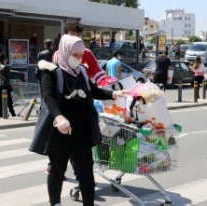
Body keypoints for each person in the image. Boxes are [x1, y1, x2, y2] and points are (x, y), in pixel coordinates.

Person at [33, 35, 127, 206]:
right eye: (75, 54)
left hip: (81, 129)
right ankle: (55, 203)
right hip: (60, 130)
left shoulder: (82, 71)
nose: (78, 58)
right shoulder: (51, 72)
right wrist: (59, 117)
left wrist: (113, 94)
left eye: (81, 55)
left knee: (85, 171)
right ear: (65, 51)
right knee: (57, 169)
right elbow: (48, 97)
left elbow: (92, 90)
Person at [48, 20, 106, 178]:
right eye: (72, 35)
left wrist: (112, 87)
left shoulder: (87, 54)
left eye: (78, 35)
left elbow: (99, 74)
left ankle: (82, 177)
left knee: (80, 147)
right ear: (66, 36)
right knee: (64, 143)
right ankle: (57, 167)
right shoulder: (58, 55)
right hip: (65, 106)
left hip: (83, 106)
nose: (76, 39)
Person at [0, 53, 16, 118]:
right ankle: (13, 113)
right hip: (5, 86)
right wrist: (16, 78)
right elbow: (10, 76)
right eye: (6, 59)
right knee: (9, 101)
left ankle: (1, 114)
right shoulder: (5, 67)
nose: (7, 61)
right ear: (4, 60)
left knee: (0, 101)